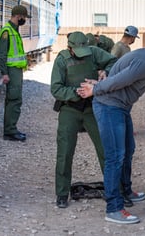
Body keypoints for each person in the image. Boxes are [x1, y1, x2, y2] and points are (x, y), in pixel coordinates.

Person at [78, 39, 145, 224]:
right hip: (109, 107)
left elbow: (116, 75)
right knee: (115, 156)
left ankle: (126, 190)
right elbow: (119, 80)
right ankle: (113, 208)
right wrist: (96, 89)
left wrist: (99, 84)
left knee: (128, 150)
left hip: (120, 107)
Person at [50, 31, 117, 208]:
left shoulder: (93, 52)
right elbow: (56, 89)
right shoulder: (62, 60)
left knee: (106, 149)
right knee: (65, 152)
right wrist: (75, 93)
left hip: (92, 108)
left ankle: (114, 191)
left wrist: (106, 72)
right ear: (69, 48)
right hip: (69, 109)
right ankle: (62, 193)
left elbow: (113, 60)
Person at [0, 5, 31, 142]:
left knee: (15, 99)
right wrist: (4, 73)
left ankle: (11, 128)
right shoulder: (7, 31)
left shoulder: (14, 30)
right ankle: (10, 131)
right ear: (18, 16)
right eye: (24, 18)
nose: (24, 20)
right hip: (11, 70)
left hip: (16, 70)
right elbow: (1, 54)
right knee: (14, 99)